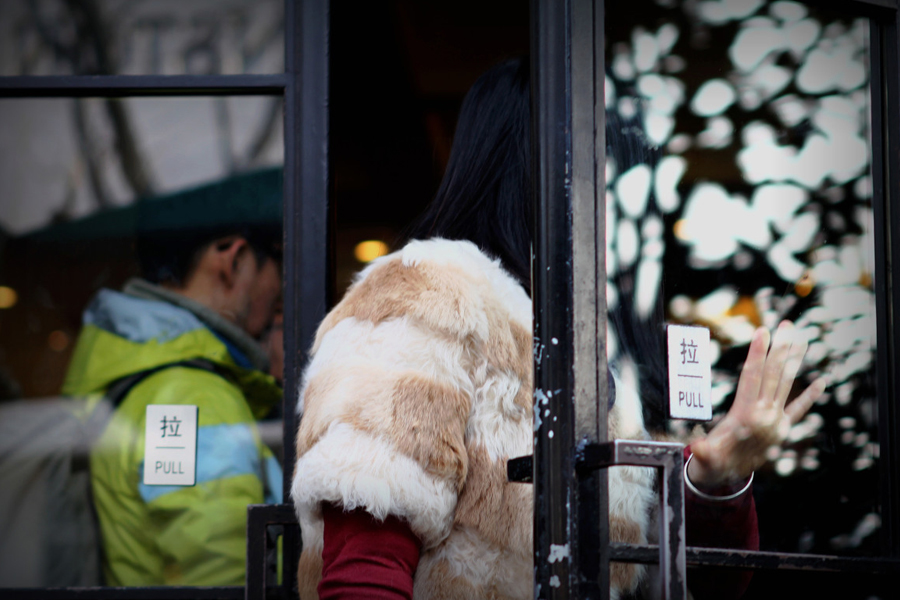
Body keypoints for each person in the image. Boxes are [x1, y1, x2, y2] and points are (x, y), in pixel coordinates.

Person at [290, 59, 826, 599]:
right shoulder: (429, 294)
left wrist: (716, 479)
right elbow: (364, 569)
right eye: (617, 177)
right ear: (544, 177)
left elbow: (698, 584)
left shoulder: (615, 354)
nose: (636, 212)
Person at [62, 169, 285, 586]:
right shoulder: (190, 396)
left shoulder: (148, 371)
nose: (282, 284)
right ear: (234, 259)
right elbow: (225, 581)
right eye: (277, 258)